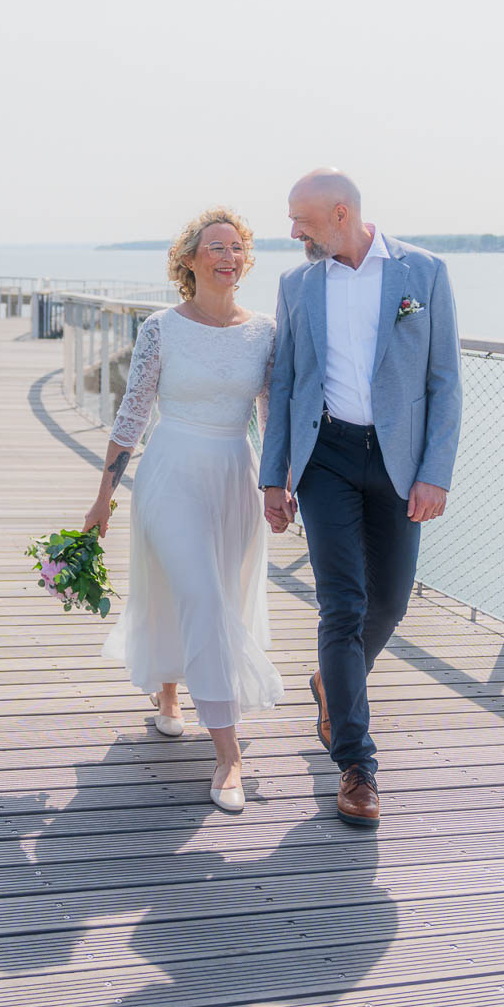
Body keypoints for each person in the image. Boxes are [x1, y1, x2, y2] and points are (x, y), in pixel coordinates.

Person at [260, 169, 461, 828]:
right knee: (341, 607)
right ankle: (356, 765)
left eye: (301, 220)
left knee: (391, 603)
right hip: (328, 460)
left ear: (340, 213)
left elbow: (445, 382)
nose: (292, 232)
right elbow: (287, 384)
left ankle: (331, 682)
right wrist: (275, 477)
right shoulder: (297, 285)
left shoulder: (422, 273)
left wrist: (436, 471)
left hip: (400, 465)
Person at [85, 207, 285, 813]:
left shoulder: (268, 333)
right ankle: (229, 756)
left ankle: (169, 693)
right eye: (214, 246)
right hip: (170, 472)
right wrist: (101, 500)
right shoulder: (162, 329)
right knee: (199, 593)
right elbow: (132, 415)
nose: (227, 255)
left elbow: (270, 419)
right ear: (189, 260)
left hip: (235, 476)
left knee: (213, 590)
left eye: (237, 247)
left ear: (246, 262)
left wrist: (281, 486)